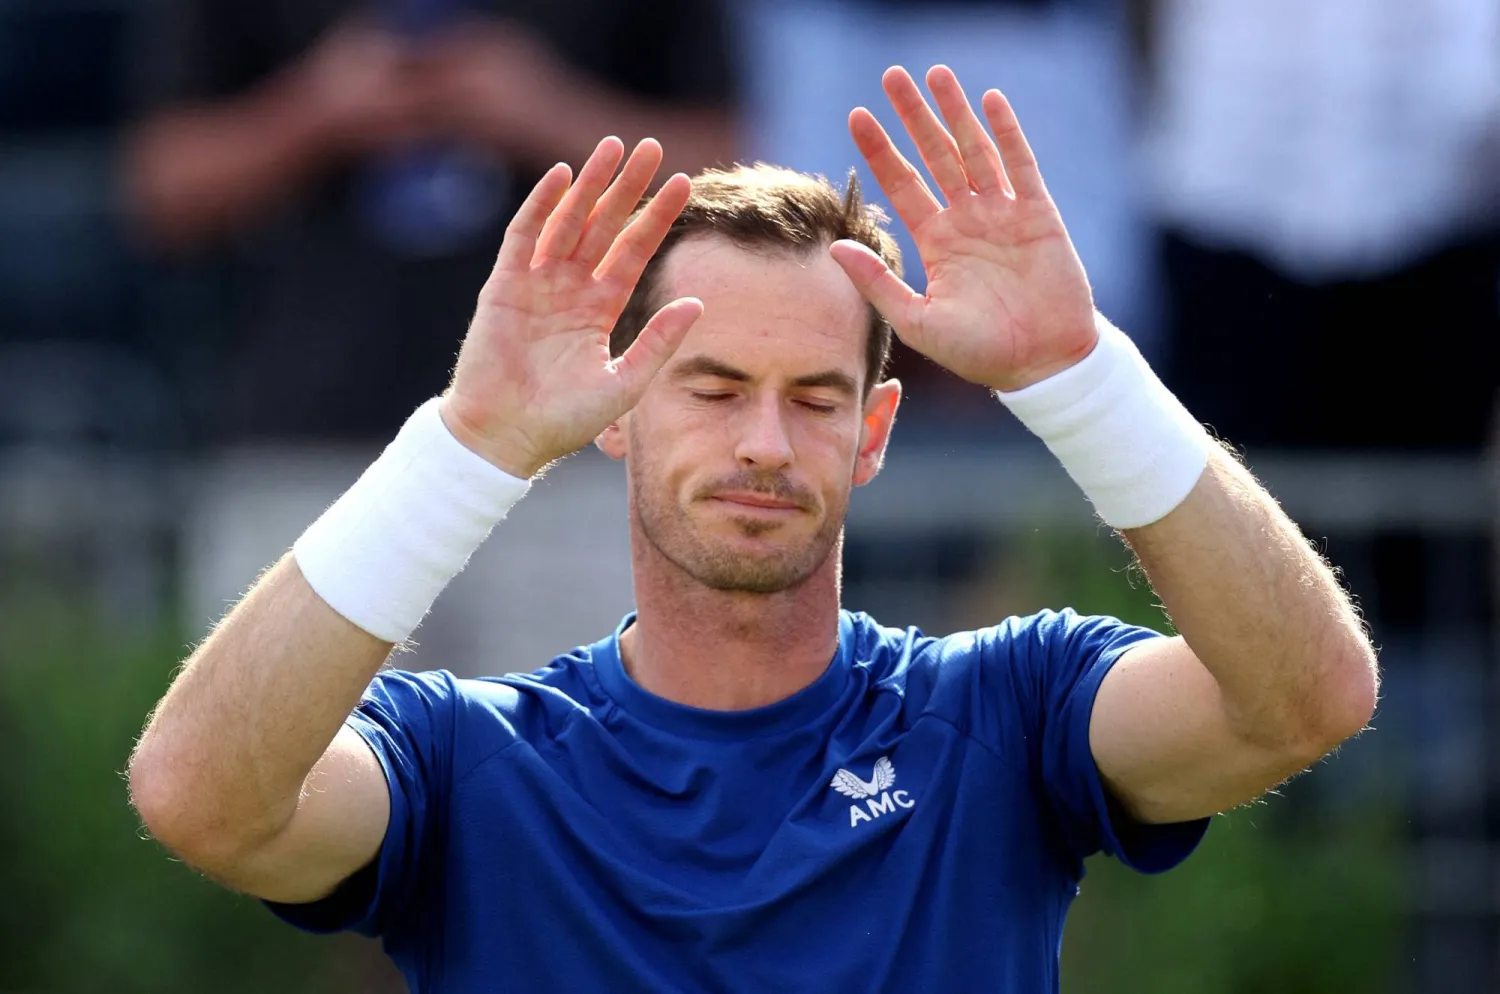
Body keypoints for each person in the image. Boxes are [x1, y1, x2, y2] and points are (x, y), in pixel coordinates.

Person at [127, 66, 1379, 992]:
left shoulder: (1009, 709)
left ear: (874, 432)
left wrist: (1080, 374)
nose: (765, 444)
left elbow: (1307, 695)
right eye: (715, 389)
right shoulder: (468, 759)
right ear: (618, 410)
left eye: (816, 397)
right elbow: (199, 798)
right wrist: (469, 445)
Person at [125, 0, 737, 666]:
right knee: (286, 765)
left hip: (572, 455)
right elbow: (163, 188)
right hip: (311, 454)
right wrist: (318, 109)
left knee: (579, 764)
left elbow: (730, 178)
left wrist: (543, 110)